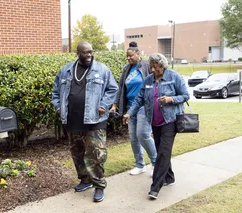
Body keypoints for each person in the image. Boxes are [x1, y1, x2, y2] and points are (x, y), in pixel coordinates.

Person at [52, 41, 118, 202]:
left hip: (95, 120)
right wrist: (58, 107)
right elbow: (55, 92)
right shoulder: (66, 70)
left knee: (96, 154)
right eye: (85, 52)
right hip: (72, 119)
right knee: (77, 152)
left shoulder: (102, 69)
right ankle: (85, 180)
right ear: (78, 53)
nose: (89, 55)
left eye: (91, 52)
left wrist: (104, 104)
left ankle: (99, 185)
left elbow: (113, 89)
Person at [123, 53, 189, 199]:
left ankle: (155, 187)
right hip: (154, 122)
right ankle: (169, 178)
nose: (152, 69)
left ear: (162, 66)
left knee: (163, 153)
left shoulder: (173, 76)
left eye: (155, 67)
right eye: (151, 66)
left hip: (170, 121)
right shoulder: (148, 80)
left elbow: (185, 95)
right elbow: (140, 98)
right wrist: (129, 113)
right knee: (161, 151)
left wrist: (171, 99)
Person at [110, 42, 157, 176]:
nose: (128, 58)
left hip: (144, 106)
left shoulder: (147, 66)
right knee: (133, 137)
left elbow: (155, 82)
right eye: (127, 56)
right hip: (130, 108)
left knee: (143, 135)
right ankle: (140, 165)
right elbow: (121, 87)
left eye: (131, 56)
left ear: (138, 54)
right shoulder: (126, 69)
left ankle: (156, 163)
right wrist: (115, 105)